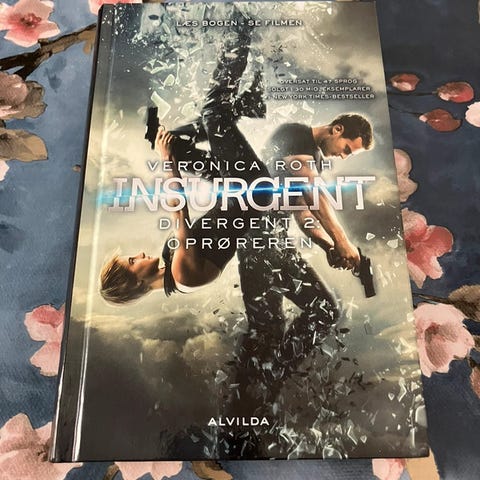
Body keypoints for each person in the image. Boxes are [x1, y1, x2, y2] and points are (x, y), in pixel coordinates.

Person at [100, 20, 272, 305]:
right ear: (136, 282)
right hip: (248, 188)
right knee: (213, 113)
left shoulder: (171, 267)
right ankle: (241, 33)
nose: (138, 254)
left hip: (231, 187)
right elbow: (179, 211)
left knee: (170, 142)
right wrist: (166, 159)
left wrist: (169, 152)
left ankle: (247, 105)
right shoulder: (182, 275)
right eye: (132, 261)